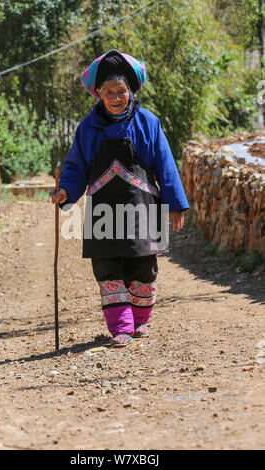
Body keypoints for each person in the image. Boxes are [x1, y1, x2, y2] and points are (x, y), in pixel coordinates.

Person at [50, 49, 189, 347]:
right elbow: (75, 167)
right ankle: (121, 328)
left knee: (143, 269)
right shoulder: (88, 129)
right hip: (103, 214)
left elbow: (165, 164)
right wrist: (66, 191)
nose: (116, 97)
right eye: (109, 92)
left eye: (121, 91)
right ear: (98, 94)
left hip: (143, 211)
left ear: (131, 90)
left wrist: (175, 204)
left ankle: (140, 322)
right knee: (108, 270)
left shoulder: (149, 123)